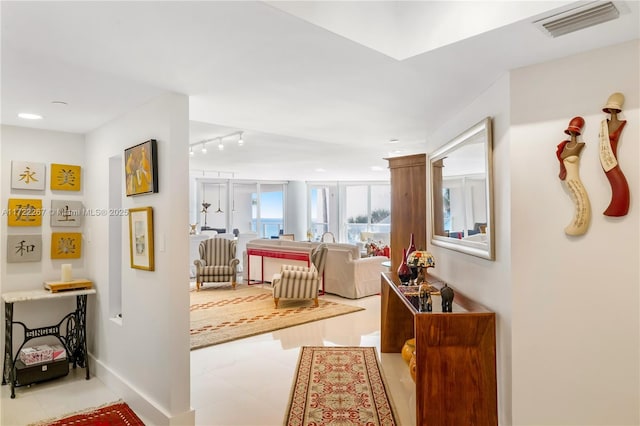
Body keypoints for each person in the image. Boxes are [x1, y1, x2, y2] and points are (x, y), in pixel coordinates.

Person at [556, 116, 590, 235]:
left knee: (581, 204)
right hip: (568, 179)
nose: (572, 133)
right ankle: (576, 227)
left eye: (574, 131)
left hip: (574, 180)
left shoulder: (579, 146)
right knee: (579, 203)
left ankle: (577, 227)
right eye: (570, 130)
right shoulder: (564, 146)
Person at [599, 92, 629, 217]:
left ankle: (619, 207)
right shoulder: (603, 124)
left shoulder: (621, 123)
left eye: (614, 108)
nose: (612, 110)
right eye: (610, 108)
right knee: (615, 182)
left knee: (619, 183)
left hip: (611, 160)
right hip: (604, 156)